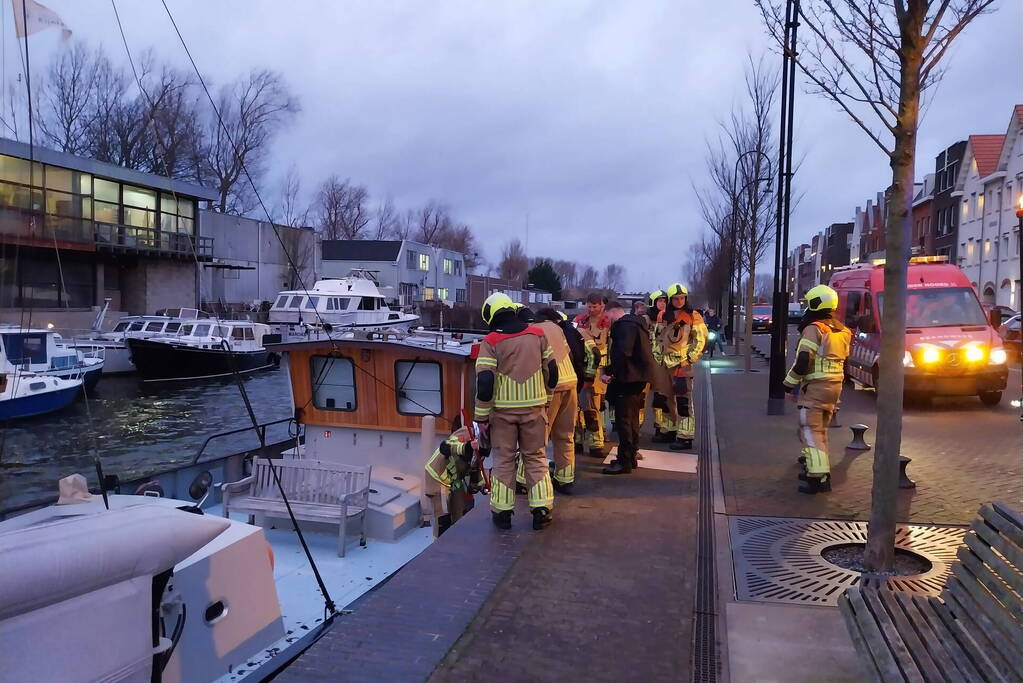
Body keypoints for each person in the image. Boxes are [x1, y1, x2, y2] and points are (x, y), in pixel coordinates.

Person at [476, 293, 559, 530]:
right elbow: (552, 371)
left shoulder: (491, 341)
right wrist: (547, 399)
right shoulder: (538, 334)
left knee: (504, 460)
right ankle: (542, 510)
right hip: (535, 409)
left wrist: (481, 417)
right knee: (535, 457)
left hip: (502, 414)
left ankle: (502, 513)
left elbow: (484, 382)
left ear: (491, 315)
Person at [783, 284, 851, 495]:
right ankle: (815, 467)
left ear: (815, 304)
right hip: (835, 387)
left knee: (811, 431)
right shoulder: (842, 331)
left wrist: (788, 383)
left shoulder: (815, 329)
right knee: (820, 430)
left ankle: (818, 477)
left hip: (816, 387)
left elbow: (804, 360)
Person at [601, 301, 655, 475]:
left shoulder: (623, 326)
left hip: (627, 378)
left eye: (607, 316)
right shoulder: (637, 324)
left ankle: (624, 461)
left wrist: (609, 372)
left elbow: (623, 352)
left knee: (624, 420)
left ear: (612, 312)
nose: (607, 320)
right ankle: (630, 457)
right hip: (639, 377)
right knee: (632, 419)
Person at [657, 283, 706, 451]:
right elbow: (658, 338)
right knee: (665, 399)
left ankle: (685, 437)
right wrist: (657, 358)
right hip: (664, 365)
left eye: (682, 298)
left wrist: (690, 358)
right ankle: (669, 430)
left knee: (683, 402)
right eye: (676, 298)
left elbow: (701, 339)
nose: (679, 301)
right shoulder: (664, 316)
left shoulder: (694, 316)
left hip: (681, 365)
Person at [424, 420, 482, 536]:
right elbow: (445, 447)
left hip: (455, 479)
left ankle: (457, 539)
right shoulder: (466, 433)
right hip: (437, 478)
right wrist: (467, 447)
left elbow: (476, 466)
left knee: (459, 511)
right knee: (443, 517)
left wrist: (478, 485)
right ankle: (439, 548)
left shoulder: (487, 442)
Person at [574, 293, 611, 457]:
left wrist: (608, 370)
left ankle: (596, 443)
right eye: (589, 306)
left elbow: (611, 347)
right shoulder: (579, 320)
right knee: (576, 406)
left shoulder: (608, 322)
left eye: (594, 306)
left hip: (598, 369)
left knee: (594, 406)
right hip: (580, 367)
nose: (591, 309)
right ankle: (577, 440)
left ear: (602, 306)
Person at [647, 289, 671, 440]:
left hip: (664, 363)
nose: (662, 304)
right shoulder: (646, 319)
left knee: (661, 397)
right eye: (659, 301)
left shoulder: (671, 319)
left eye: (664, 301)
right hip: (647, 362)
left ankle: (660, 426)